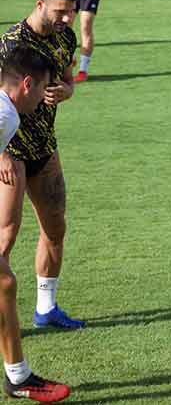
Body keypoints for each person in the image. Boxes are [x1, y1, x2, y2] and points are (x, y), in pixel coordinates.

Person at [0, 0, 85, 333]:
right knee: (5, 234)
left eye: (72, 12)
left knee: (55, 227)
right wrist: (0, 153)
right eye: (60, 11)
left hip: (45, 148)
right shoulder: (10, 44)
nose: (67, 19)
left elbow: (67, 78)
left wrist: (67, 90)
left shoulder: (65, 37)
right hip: (11, 151)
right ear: (40, 4)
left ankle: (46, 309)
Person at [0, 47, 71, 403]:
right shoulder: (6, 116)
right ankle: (17, 377)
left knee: (4, 283)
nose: (44, 100)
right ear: (27, 84)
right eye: (42, 89)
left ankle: (17, 376)